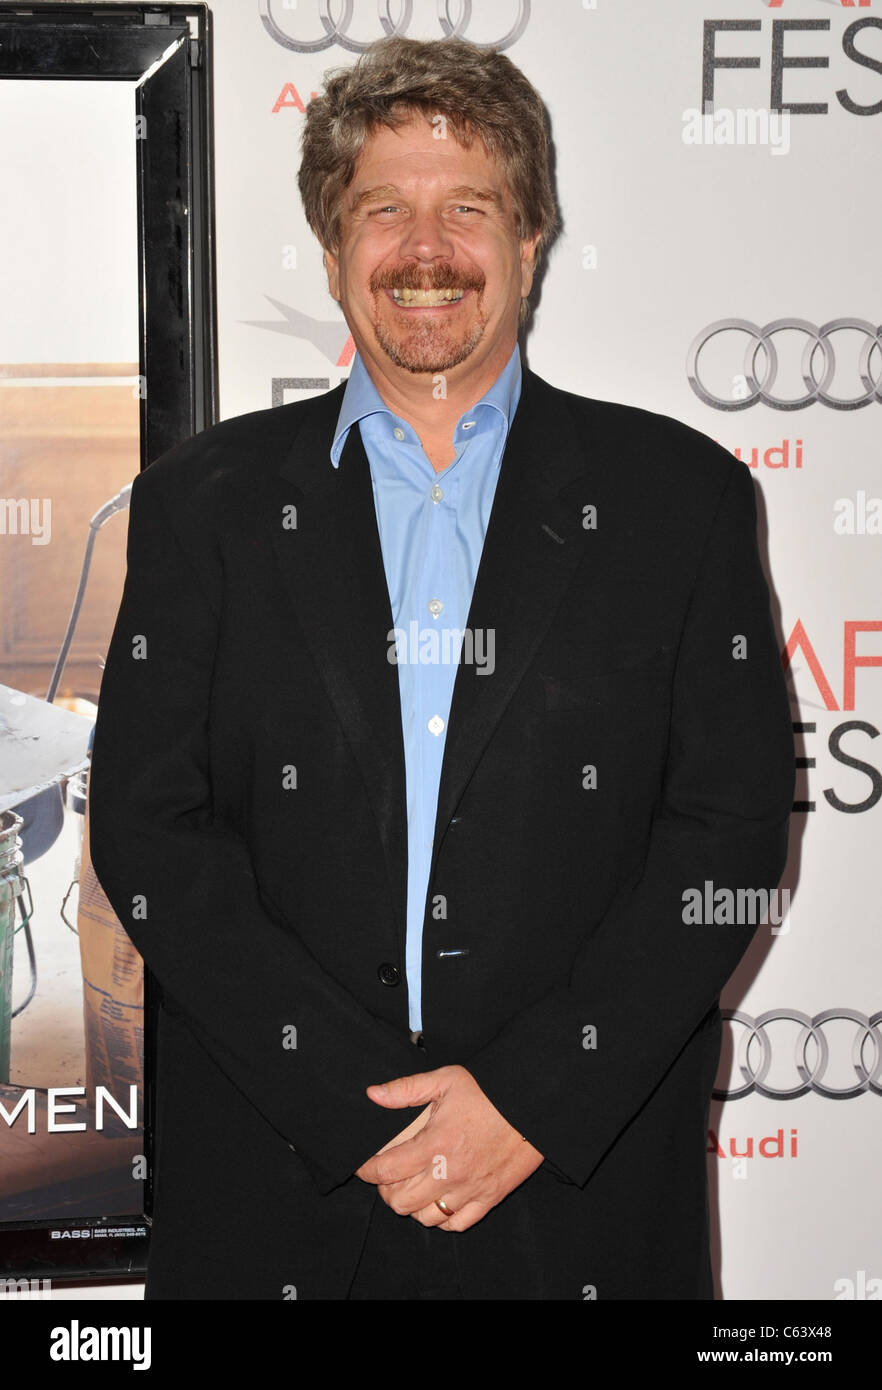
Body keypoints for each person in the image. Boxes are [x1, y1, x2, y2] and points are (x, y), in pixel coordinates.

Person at [88, 35, 795, 1300]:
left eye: (468, 208)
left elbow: (727, 841)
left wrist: (530, 1101)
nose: (426, 251)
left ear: (531, 244)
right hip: (280, 1192)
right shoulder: (205, 504)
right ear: (331, 249)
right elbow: (150, 833)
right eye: (384, 211)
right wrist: (359, 1109)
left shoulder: (678, 501)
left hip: (577, 1195)